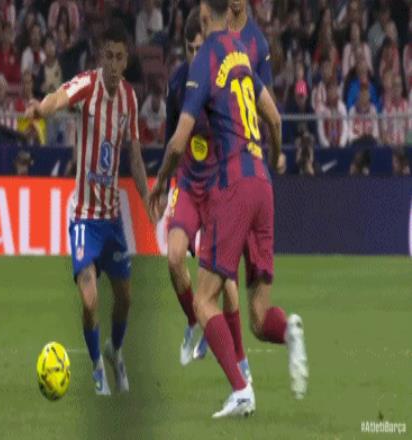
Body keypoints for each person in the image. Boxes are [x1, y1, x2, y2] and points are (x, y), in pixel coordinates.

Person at [150, 0, 308, 418]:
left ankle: (241, 389)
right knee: (259, 315)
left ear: (205, 15)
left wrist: (161, 181)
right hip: (263, 184)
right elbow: (275, 118)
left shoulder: (206, 58)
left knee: (204, 301)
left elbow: (178, 140)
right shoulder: (241, 53)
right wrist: (275, 156)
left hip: (232, 183)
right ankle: (288, 331)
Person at [25, 21, 153, 396]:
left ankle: (115, 351)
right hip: (83, 216)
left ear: (126, 60)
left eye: (119, 57)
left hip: (112, 217)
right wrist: (40, 109)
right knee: (90, 298)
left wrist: (147, 198)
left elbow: (135, 157)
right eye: (107, 56)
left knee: (125, 298)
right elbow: (57, 98)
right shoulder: (87, 86)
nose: (113, 64)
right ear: (100, 57)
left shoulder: (129, 100)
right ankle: (97, 367)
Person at [163, 7, 252, 379]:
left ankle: (241, 360)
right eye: (190, 49)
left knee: (227, 284)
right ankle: (193, 321)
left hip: (218, 187)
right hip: (187, 183)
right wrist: (164, 183)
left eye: (200, 48)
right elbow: (172, 138)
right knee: (173, 258)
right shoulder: (177, 83)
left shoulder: (220, 80)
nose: (195, 55)